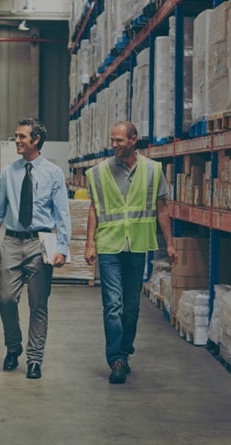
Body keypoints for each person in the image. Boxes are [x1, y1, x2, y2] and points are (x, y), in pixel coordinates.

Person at [84, 121, 176, 384]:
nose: (114, 145)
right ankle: (116, 359)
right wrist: (90, 243)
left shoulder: (153, 170)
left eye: (119, 140)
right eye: (112, 140)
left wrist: (170, 244)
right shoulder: (99, 172)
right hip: (109, 245)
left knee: (132, 306)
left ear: (134, 140)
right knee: (112, 304)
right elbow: (94, 209)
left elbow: (162, 209)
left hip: (137, 244)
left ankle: (124, 351)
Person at [0, 118, 71, 379]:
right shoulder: (8, 172)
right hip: (11, 242)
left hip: (40, 243)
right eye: (16, 136)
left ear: (36, 140)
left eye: (22, 137)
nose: (17, 141)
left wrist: (62, 247)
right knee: (6, 299)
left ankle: (34, 359)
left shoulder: (53, 173)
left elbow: (62, 213)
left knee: (38, 304)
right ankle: (13, 347)